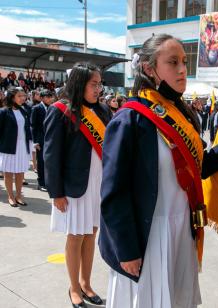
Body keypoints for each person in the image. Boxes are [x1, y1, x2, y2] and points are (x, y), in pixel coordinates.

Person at [99, 33, 218, 308]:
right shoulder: (130, 119)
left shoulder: (182, 115)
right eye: (173, 62)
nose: (182, 69)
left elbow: (198, 167)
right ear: (149, 69)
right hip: (147, 237)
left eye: (184, 61)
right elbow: (114, 192)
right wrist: (126, 250)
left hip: (181, 231)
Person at [44, 62, 110, 307]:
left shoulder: (102, 111)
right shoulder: (61, 110)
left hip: (97, 184)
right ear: (80, 83)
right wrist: (57, 192)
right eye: (94, 84)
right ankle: (73, 287)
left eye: (99, 84)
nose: (98, 89)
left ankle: (86, 283)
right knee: (75, 237)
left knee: (91, 234)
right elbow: (51, 155)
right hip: (73, 188)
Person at [0, 87, 32, 207]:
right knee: (8, 172)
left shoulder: (24, 111)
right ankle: (10, 196)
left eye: (23, 96)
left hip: (22, 146)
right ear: (12, 97)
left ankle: (19, 195)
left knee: (20, 172)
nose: (22, 98)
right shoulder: (4, 111)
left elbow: (27, 128)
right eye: (19, 96)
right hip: (9, 147)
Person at [31, 89, 54, 191]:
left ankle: (48, 182)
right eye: (48, 97)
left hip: (50, 139)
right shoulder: (36, 108)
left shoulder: (52, 108)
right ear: (42, 98)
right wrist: (35, 141)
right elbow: (33, 125)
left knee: (48, 161)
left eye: (51, 97)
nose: (50, 99)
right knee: (41, 161)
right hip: (40, 139)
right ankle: (41, 183)